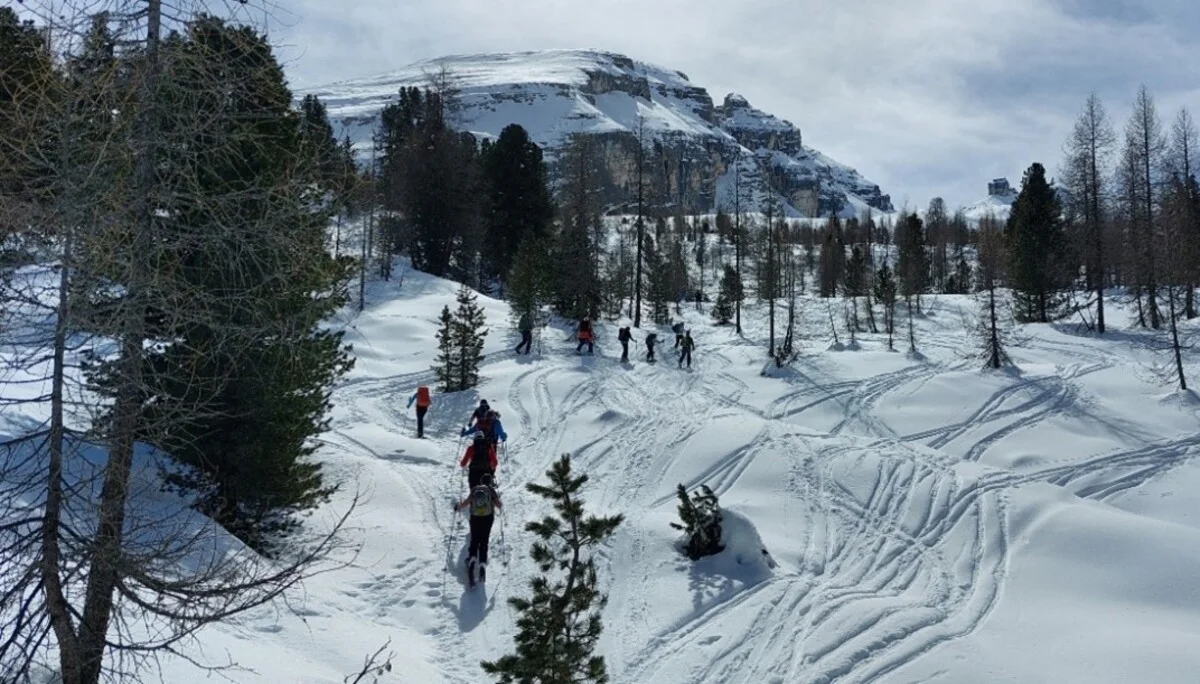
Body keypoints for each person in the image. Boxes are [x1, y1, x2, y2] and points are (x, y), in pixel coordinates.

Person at [454, 472, 502, 587]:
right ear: (490, 482)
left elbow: (466, 503)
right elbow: (499, 505)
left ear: (481, 481)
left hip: (475, 518)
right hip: (488, 518)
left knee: (474, 541)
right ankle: (482, 565)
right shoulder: (491, 490)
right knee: (484, 542)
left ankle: (471, 561)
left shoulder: (475, 489)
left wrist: (458, 507)